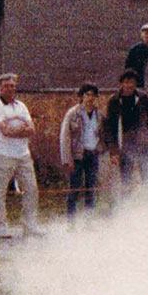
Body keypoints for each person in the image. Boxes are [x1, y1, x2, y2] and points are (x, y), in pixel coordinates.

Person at [0, 74, 40, 237]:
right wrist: (21, 129)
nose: (10, 89)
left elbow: (32, 129)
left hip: (23, 154)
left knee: (31, 189)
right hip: (3, 154)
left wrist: (16, 129)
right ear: (0, 88)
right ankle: (0, 226)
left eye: (12, 86)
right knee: (1, 191)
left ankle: (29, 225)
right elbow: (5, 131)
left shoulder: (21, 106)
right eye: (6, 86)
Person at [58, 82, 103, 220]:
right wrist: (67, 159)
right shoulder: (73, 114)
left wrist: (102, 150)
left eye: (93, 95)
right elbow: (65, 137)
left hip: (93, 154)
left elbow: (103, 135)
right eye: (87, 95)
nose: (90, 98)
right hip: (77, 155)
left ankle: (89, 220)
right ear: (82, 96)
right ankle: (71, 220)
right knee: (75, 188)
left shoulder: (98, 114)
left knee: (91, 188)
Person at [102, 69, 148, 187]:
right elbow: (109, 127)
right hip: (124, 144)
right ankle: (127, 198)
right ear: (121, 83)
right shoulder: (114, 101)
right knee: (125, 178)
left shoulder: (143, 98)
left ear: (135, 84)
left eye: (132, 82)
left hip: (142, 143)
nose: (129, 85)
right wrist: (113, 150)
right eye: (126, 82)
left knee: (147, 175)